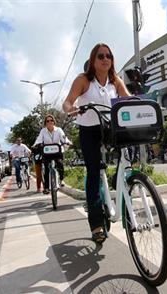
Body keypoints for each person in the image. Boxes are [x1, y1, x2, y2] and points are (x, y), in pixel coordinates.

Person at [62, 43, 131, 243]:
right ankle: (96, 225)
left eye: (108, 55)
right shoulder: (83, 80)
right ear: (93, 60)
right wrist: (72, 109)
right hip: (89, 131)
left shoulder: (115, 80)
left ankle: (124, 189)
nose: (105, 59)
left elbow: (128, 99)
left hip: (110, 128)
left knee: (125, 160)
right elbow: (67, 102)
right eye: (100, 56)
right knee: (93, 173)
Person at [33, 114, 71, 194]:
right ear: (45, 123)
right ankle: (46, 188)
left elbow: (64, 137)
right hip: (47, 152)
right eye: (47, 121)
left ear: (54, 121)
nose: (50, 122)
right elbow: (39, 139)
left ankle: (61, 180)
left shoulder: (59, 130)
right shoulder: (43, 131)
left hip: (57, 151)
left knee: (60, 164)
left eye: (51, 120)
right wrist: (35, 144)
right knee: (46, 168)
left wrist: (67, 142)